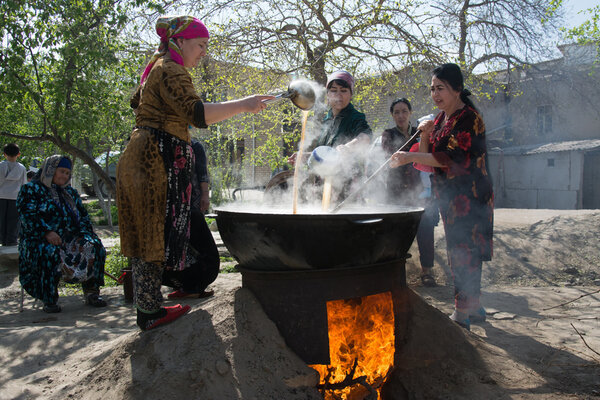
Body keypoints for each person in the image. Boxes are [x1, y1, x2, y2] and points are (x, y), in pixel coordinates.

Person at [116, 16, 273, 331]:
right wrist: (245, 104)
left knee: (150, 230)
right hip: (153, 160)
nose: (203, 53)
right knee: (152, 232)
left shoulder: (157, 68)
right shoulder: (171, 69)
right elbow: (197, 114)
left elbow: (139, 102)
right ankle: (149, 312)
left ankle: (149, 306)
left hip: (144, 155)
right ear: (181, 41)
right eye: (200, 45)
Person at [390, 63, 494, 330]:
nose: (435, 94)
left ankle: (462, 312)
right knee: (460, 249)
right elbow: (427, 163)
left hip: (470, 195)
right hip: (448, 196)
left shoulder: (469, 118)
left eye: (441, 88)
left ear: (457, 89)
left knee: (466, 251)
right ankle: (474, 305)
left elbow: (452, 160)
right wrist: (424, 134)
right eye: (432, 89)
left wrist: (409, 155)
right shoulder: (439, 120)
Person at [17, 155, 107, 313]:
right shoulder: (31, 190)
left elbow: (83, 216)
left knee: (93, 246)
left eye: (67, 173)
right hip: (38, 237)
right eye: (62, 171)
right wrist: (47, 232)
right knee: (49, 252)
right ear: (50, 170)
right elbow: (27, 215)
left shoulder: (70, 193)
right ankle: (49, 298)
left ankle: (92, 291)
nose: (65, 176)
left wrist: (84, 234)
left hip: (69, 238)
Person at [380, 99, 440, 287]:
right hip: (397, 192)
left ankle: (427, 271)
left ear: (410, 113)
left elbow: (429, 155)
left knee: (426, 228)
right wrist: (413, 153)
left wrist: (423, 137)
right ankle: (396, 272)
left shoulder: (420, 132)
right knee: (397, 233)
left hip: (422, 190)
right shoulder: (388, 135)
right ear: (392, 115)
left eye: (404, 111)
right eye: (396, 112)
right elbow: (391, 159)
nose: (401, 116)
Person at [289, 70, 372, 201]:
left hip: (347, 187)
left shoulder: (355, 117)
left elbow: (365, 136)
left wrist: (348, 147)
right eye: (333, 90)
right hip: (323, 185)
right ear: (327, 94)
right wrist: (305, 157)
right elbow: (326, 152)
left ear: (351, 94)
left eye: (344, 91)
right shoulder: (327, 119)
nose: (338, 95)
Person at [162, 138, 220, 299]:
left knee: (195, 243)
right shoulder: (162, 143)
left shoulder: (194, 146)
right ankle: (188, 284)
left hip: (190, 203)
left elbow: (202, 173)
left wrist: (205, 195)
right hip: (168, 205)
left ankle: (194, 285)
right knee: (174, 246)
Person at [0, 143, 27, 246]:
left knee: (1, 219)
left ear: (4, 154)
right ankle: (11, 240)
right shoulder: (21, 168)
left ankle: (1, 239)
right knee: (13, 220)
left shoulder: (1, 166)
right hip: (15, 197)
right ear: (18, 154)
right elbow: (24, 184)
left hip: (1, 195)